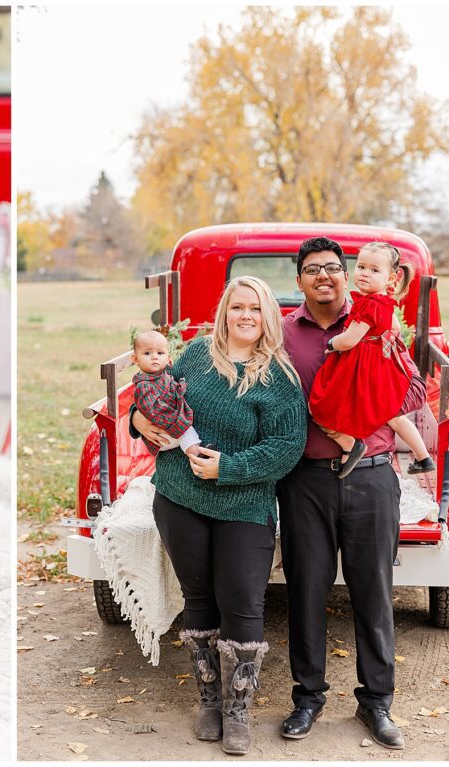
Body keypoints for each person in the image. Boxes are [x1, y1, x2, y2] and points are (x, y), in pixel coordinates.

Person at [130, 276, 307, 756]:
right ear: (225, 311)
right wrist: (137, 422)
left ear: (267, 316)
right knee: (199, 597)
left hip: (244, 505)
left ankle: (238, 708)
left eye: (255, 308)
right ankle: (209, 699)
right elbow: (153, 398)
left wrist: (229, 467)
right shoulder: (193, 355)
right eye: (237, 307)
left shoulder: (280, 379)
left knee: (243, 602)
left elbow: (287, 447)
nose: (245, 315)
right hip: (179, 496)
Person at [277, 236, 426, 751]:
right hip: (306, 479)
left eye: (334, 268)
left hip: (373, 475)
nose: (325, 276)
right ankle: (308, 697)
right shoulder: (283, 334)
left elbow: (412, 392)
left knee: (373, 592)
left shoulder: (378, 327)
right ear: (299, 280)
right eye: (312, 269)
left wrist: (382, 366)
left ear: (348, 276)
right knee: (306, 589)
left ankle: (377, 702)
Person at [308, 241, 436, 478]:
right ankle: (423, 457)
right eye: (362, 266)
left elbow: (349, 340)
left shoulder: (369, 304)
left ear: (391, 278)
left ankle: (350, 445)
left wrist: (330, 344)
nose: (365, 273)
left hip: (362, 369)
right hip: (377, 367)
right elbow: (394, 328)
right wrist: (379, 342)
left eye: (374, 270)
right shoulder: (383, 302)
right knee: (392, 415)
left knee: (321, 406)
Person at [131, 329, 202, 456]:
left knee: (187, 431)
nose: (154, 357)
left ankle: (200, 449)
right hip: (161, 433)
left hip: (166, 428)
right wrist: (177, 420)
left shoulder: (162, 375)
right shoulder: (144, 386)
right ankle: (197, 455)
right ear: (135, 360)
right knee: (186, 431)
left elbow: (171, 387)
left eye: (160, 353)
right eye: (147, 353)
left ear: (168, 358)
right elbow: (153, 410)